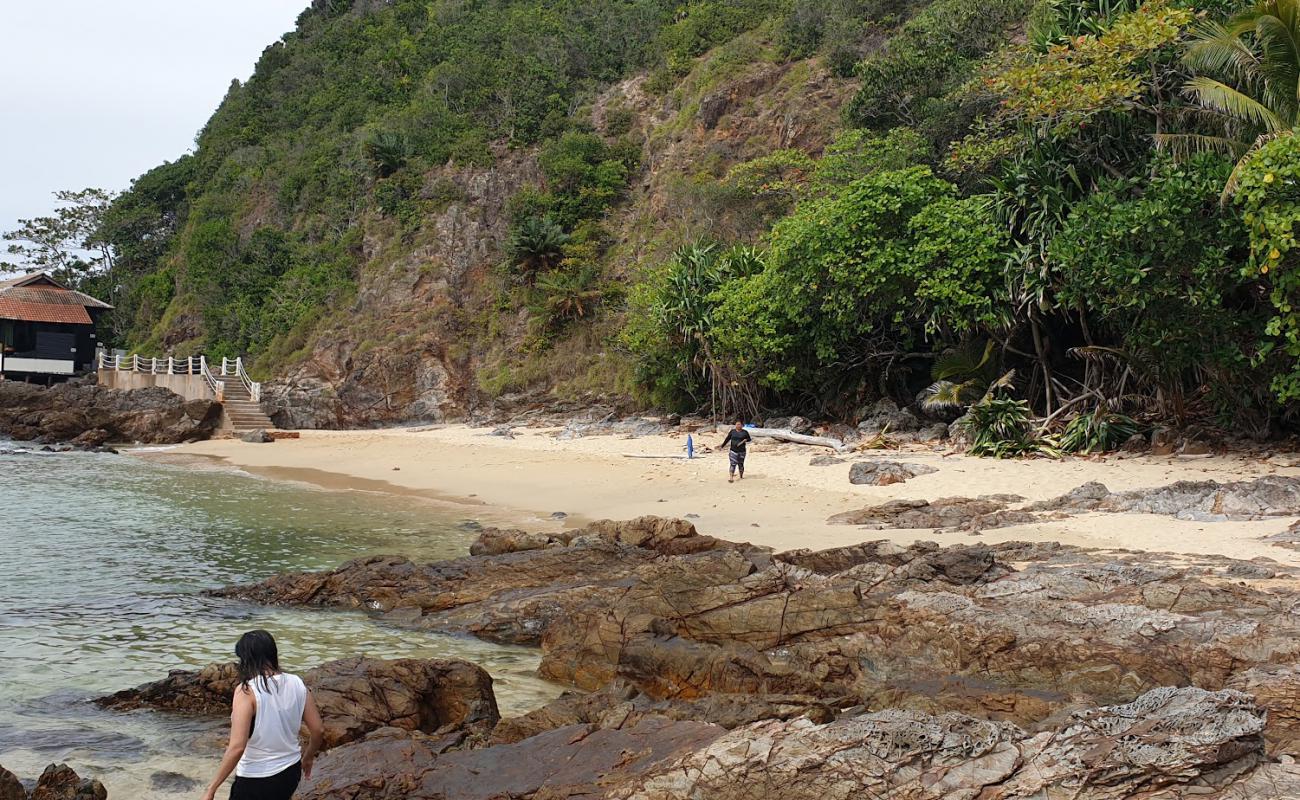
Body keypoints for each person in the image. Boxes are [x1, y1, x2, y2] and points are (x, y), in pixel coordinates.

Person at [202, 630, 325, 800]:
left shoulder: (246, 691)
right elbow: (318, 730)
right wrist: (309, 757)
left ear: (247, 659)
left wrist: (211, 788)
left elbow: (237, 747)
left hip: (256, 779)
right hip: (290, 772)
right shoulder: (297, 683)